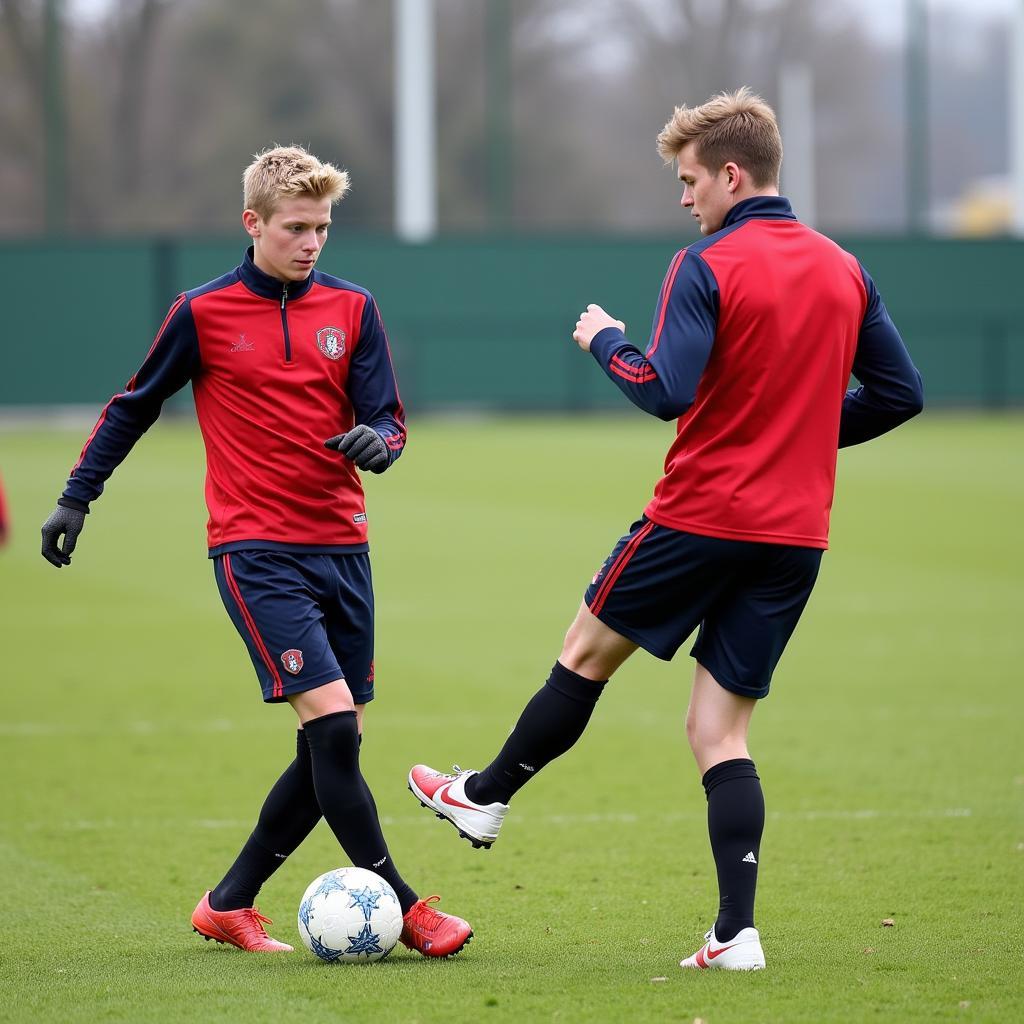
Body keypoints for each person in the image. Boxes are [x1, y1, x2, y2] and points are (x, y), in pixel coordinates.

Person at [408, 88, 923, 971]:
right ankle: (736, 935)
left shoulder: (707, 265)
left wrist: (605, 338)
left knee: (583, 652)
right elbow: (901, 394)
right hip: (795, 534)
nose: (684, 199)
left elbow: (664, 389)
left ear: (731, 175)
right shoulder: (846, 268)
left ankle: (484, 797)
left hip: (701, 515)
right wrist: (795, 434)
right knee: (721, 734)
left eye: (689, 181)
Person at [41, 145, 472, 958]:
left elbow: (390, 418)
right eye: (296, 227)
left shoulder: (355, 308)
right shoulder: (201, 313)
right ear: (254, 224)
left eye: (323, 228)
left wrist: (379, 443)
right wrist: (76, 496)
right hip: (255, 550)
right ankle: (411, 911)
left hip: (344, 548)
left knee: (329, 744)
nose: (312, 243)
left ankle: (228, 903)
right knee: (336, 731)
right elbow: (132, 407)